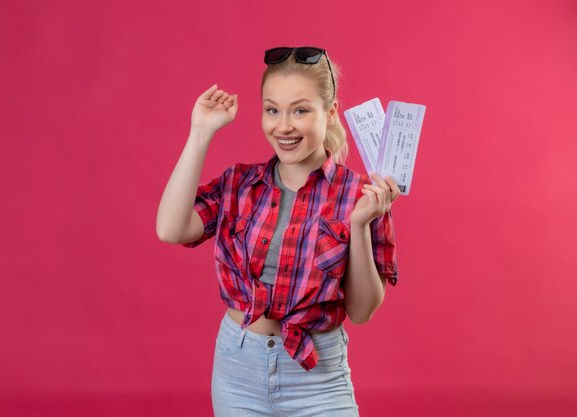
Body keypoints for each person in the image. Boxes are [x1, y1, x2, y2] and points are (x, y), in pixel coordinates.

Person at [156, 46, 400, 417]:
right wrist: (200, 133)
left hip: (317, 375)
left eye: (300, 110)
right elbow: (170, 229)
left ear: (330, 114)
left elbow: (362, 311)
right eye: (272, 110)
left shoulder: (361, 196)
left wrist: (360, 225)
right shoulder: (239, 183)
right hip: (238, 370)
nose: (283, 126)